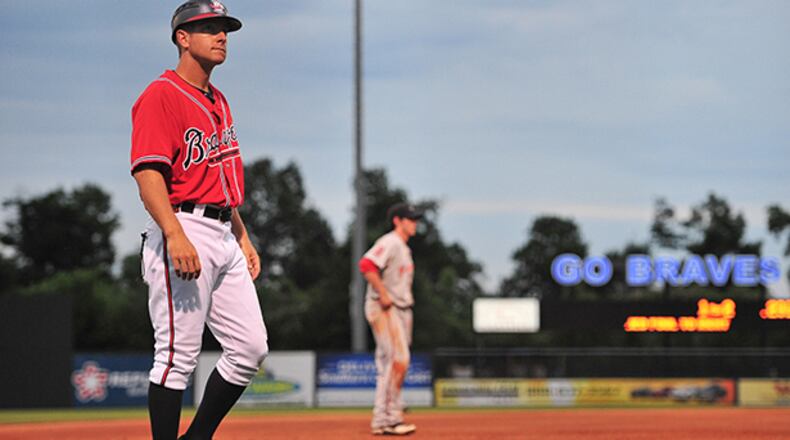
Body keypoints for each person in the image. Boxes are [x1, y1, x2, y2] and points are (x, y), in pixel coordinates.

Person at [129, 1, 268, 439]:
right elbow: (148, 173)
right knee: (176, 356)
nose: (221, 35)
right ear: (182, 38)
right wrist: (175, 234)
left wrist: (242, 237)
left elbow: (221, 177)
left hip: (224, 230)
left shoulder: (218, 100)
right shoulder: (161, 94)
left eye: (224, 28)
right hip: (183, 227)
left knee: (250, 347)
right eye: (208, 27)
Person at [358, 202, 423, 436]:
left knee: (390, 362)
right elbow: (366, 264)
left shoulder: (404, 248)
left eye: (415, 219)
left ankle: (385, 416)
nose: (415, 223)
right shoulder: (391, 242)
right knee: (398, 359)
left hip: (400, 308)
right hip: (385, 306)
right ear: (398, 220)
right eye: (410, 219)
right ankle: (388, 418)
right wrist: (383, 294)